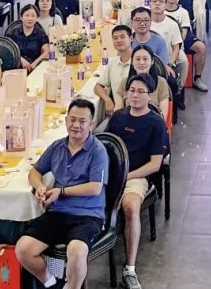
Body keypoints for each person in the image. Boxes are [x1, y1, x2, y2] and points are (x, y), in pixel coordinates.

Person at [16, 98, 109, 289]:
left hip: (88, 215)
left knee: (76, 251)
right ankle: (52, 283)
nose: (76, 125)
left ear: (91, 124)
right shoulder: (57, 146)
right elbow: (34, 172)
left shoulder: (97, 151)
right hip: (58, 213)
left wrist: (62, 191)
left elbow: (95, 187)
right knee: (23, 249)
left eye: (82, 121)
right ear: (66, 120)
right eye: (72, 120)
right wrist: (40, 187)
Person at [106, 73, 169, 289]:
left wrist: (126, 176)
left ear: (150, 96)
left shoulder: (156, 123)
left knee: (131, 207)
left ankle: (130, 269)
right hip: (112, 174)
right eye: (132, 90)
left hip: (137, 176)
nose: (135, 95)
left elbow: (155, 164)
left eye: (141, 91)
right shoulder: (117, 118)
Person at [164, 0, 208, 93]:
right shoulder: (161, 11)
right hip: (164, 40)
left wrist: (176, 46)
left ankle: (197, 79)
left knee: (201, 47)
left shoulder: (183, 12)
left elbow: (183, 34)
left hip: (180, 40)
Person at [116, 45, 172, 117]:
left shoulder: (161, 82)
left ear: (152, 61)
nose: (141, 62)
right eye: (138, 59)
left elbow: (163, 116)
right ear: (132, 62)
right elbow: (117, 113)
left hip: (153, 123)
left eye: (145, 59)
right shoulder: (124, 82)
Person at [148, 0, 187, 94]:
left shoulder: (172, 24)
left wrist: (169, 64)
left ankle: (178, 93)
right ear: (149, 4)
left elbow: (176, 48)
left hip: (166, 61)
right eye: (154, 1)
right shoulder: (144, 23)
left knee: (172, 81)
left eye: (161, 2)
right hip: (146, 61)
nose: (157, 4)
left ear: (165, 5)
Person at [93, 25, 135, 118]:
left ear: (131, 38)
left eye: (122, 37)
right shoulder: (113, 62)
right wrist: (108, 100)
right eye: (115, 38)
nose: (118, 40)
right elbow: (98, 87)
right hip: (117, 112)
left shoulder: (139, 62)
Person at [10, 4, 51, 72]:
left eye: (33, 16)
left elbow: (47, 51)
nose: (30, 19)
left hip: (35, 68)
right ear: (21, 17)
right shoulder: (13, 32)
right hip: (16, 68)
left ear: (37, 18)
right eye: (27, 15)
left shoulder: (40, 32)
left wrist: (35, 63)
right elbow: (9, 50)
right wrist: (21, 60)